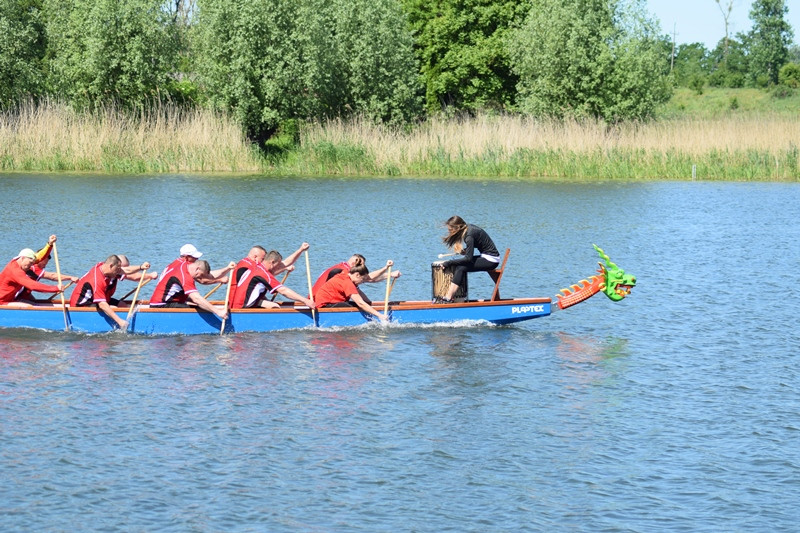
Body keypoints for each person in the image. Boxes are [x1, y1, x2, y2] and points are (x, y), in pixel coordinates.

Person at [149, 244, 232, 319]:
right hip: (162, 306)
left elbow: (204, 278)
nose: (197, 259)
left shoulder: (178, 264)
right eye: (194, 257)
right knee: (201, 307)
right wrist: (218, 312)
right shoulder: (184, 273)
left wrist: (227, 268)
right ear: (186, 257)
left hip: (162, 302)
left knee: (202, 305)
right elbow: (196, 297)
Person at [69, 255, 150, 329]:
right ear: (111, 266)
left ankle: (128, 323)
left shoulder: (104, 267)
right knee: (113, 308)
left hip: (94, 298)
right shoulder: (97, 279)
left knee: (123, 305)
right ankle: (120, 325)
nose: (118, 273)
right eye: (117, 270)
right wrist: (119, 321)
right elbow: (102, 304)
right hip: (81, 305)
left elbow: (125, 270)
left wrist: (141, 267)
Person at [435, 215, 501, 303]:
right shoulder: (468, 229)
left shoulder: (469, 235)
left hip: (491, 260)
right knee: (461, 266)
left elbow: (468, 259)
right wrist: (466, 250)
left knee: (461, 268)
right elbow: (476, 245)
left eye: (450, 230)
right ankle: (450, 297)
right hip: (487, 256)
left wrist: (449, 263)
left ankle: (448, 297)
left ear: (458, 227)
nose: (449, 232)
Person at [231, 250, 315, 309]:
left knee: (270, 303)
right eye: (277, 265)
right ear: (272, 262)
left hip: (238, 303)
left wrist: (301, 250)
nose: (278, 268)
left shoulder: (257, 267)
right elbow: (283, 290)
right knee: (275, 307)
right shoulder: (264, 274)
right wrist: (305, 301)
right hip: (243, 307)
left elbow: (285, 263)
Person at [16, 235, 79, 301]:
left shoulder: (33, 267)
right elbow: (52, 276)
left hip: (23, 296)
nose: (44, 266)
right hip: (17, 298)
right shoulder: (34, 268)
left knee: (35, 302)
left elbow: (26, 289)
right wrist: (70, 277)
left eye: (45, 264)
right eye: (43, 264)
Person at [314, 264, 387, 321]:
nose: (362, 282)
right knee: (359, 306)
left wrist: (386, 268)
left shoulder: (346, 273)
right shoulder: (347, 283)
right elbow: (360, 303)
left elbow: (370, 278)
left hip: (332, 302)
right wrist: (379, 315)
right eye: (362, 279)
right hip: (324, 306)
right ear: (357, 275)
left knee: (362, 305)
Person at [311, 254, 401, 300]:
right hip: (319, 304)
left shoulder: (341, 267)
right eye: (361, 266)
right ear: (354, 264)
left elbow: (366, 279)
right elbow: (367, 278)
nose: (362, 269)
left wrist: (389, 274)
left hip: (316, 300)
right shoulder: (344, 272)